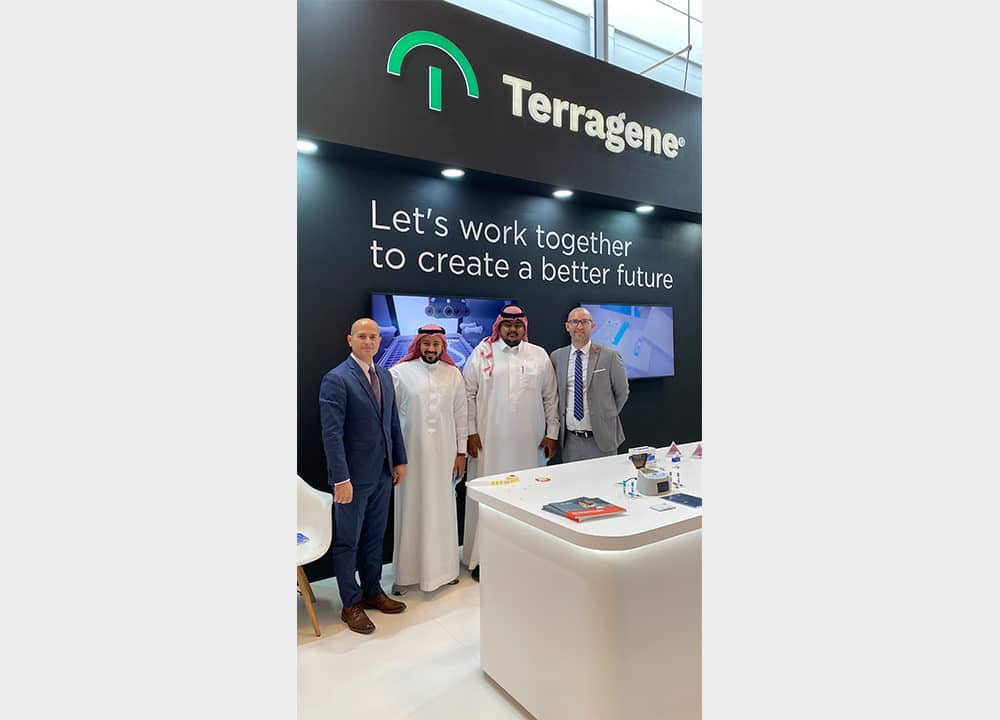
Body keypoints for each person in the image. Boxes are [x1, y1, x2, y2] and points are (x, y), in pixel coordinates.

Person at [319, 317, 408, 635]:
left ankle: (372, 591)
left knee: (374, 537)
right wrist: (340, 479)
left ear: (380, 341)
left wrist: (399, 460)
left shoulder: (384, 375)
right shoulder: (336, 379)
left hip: (382, 473)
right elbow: (331, 435)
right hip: (352, 479)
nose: (368, 341)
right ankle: (351, 604)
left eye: (373, 336)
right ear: (350, 340)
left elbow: (392, 422)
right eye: (362, 336)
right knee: (348, 542)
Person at [463, 305, 559, 580]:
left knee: (528, 496)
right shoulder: (482, 353)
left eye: (518, 325)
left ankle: (528, 554)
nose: (513, 329)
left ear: (524, 327)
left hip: (530, 444)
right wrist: (470, 432)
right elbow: (467, 395)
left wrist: (552, 433)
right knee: (489, 498)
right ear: (499, 326)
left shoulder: (538, 355)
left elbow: (550, 397)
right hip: (489, 443)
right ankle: (483, 558)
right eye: (508, 325)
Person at [388, 324, 468, 595]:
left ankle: (445, 572)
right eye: (426, 343)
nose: (431, 348)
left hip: (445, 455)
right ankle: (407, 576)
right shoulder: (399, 373)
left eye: (436, 344)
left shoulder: (453, 374)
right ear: (418, 344)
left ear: (443, 346)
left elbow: (461, 416)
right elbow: (390, 418)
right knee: (411, 510)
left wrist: (461, 452)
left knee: (441, 509)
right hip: (410, 458)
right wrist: (394, 455)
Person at [550, 307, 630, 462]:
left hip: (602, 439)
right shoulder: (556, 357)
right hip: (571, 442)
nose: (579, 326)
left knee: (606, 478)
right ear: (567, 326)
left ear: (592, 326)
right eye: (575, 322)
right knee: (574, 478)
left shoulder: (610, 356)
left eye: (584, 322)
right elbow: (554, 395)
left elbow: (622, 392)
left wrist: (606, 416)